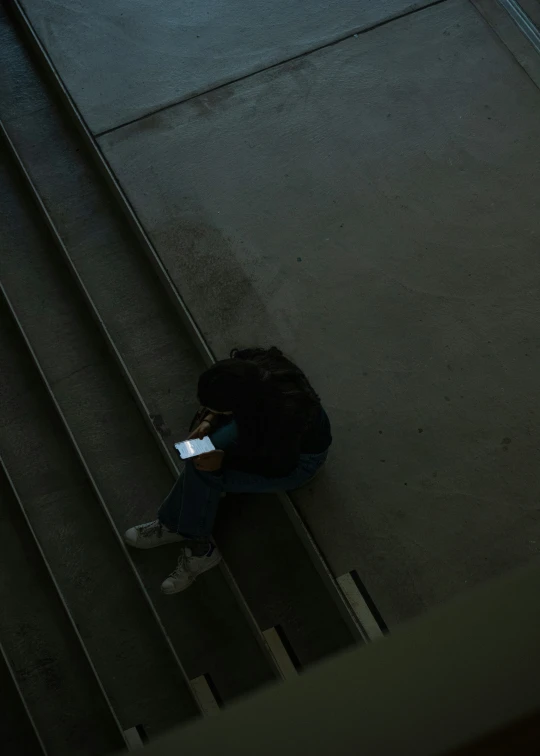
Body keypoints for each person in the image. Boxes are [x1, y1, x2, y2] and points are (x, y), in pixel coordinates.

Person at [124, 347, 332, 594]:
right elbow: (237, 417)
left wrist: (220, 463)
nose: (215, 413)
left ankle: (199, 547)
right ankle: (175, 525)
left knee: (203, 470)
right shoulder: (251, 367)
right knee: (191, 452)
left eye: (219, 410)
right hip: (256, 426)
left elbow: (278, 468)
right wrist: (208, 421)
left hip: (296, 462)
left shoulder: (282, 422)